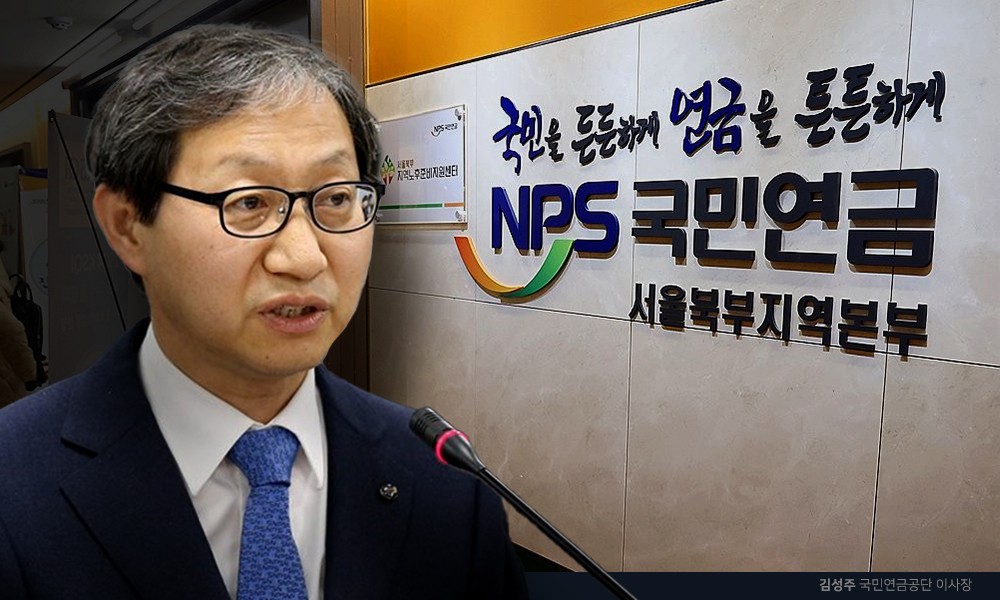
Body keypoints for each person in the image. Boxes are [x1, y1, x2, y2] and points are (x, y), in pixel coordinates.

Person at [0, 25, 528, 599]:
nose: (304, 258)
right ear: (128, 226)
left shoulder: (446, 483)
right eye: (249, 202)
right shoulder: (14, 487)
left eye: (336, 198)